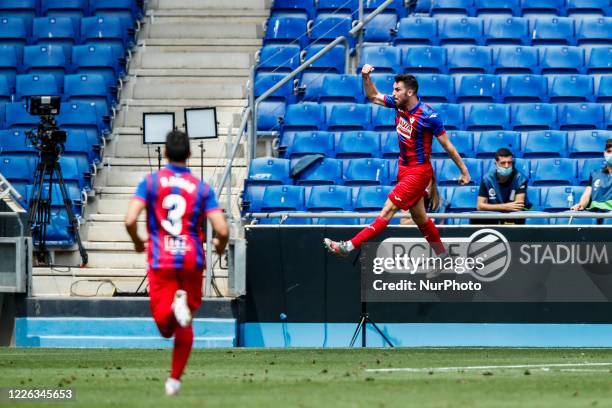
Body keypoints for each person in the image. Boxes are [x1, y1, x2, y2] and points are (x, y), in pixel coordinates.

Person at [324, 66, 470, 274]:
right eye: (393, 90)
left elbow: (447, 145)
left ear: (409, 92)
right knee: (420, 218)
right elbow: (373, 96)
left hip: (418, 173)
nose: (393, 93)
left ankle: (348, 246)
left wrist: (464, 171)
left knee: (388, 210)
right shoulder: (398, 105)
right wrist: (366, 77)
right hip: (404, 169)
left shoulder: (429, 116)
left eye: (397, 90)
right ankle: (444, 257)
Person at [124, 130, 229, 396]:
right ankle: (174, 381)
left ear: (166, 153)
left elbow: (129, 219)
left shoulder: (149, 183)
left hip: (162, 259)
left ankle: (173, 306)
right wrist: (219, 245)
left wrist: (137, 242)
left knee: (164, 326)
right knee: (185, 322)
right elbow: (222, 229)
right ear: (190, 154)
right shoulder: (202, 188)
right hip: (192, 259)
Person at [476, 148, 530, 224]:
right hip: (493, 218)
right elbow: (479, 206)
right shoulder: (487, 179)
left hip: (514, 218)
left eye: (509, 162)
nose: (506, 166)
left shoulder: (520, 178)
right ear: (496, 163)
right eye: (503, 163)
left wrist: (491, 207)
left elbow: (518, 206)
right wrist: (505, 206)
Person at [571, 138, 612, 212]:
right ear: (604, 153)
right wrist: (581, 205)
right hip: (594, 214)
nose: (611, 155)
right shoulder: (595, 174)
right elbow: (587, 195)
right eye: (609, 151)